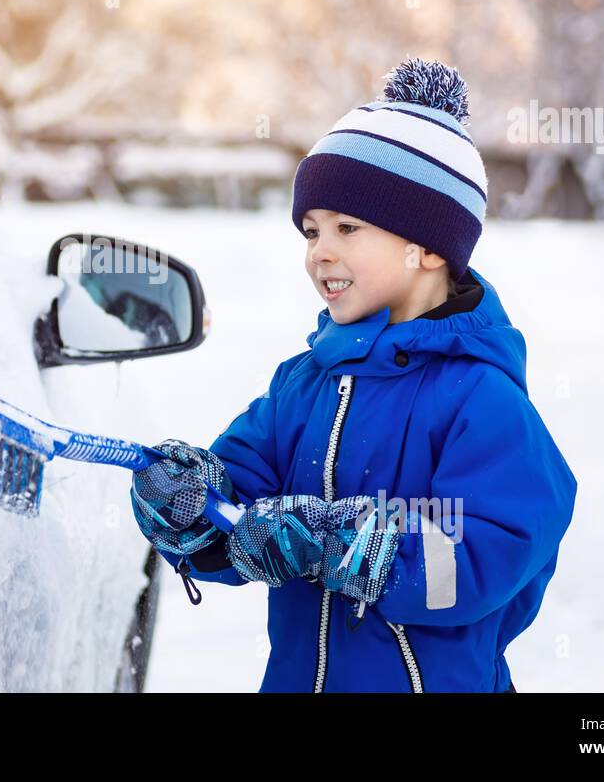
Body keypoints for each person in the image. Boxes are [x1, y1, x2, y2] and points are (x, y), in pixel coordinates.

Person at [130, 59, 577, 693]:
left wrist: (357, 545)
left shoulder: (482, 399)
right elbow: (239, 502)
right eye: (310, 231)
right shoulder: (303, 386)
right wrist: (190, 505)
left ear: (426, 248)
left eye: (347, 228)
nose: (320, 252)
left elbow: (492, 550)